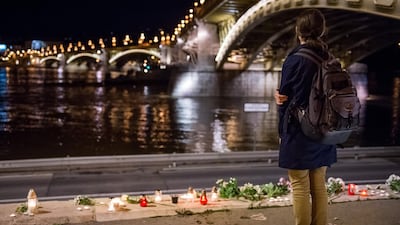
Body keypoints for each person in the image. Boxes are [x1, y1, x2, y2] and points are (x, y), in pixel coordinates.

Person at [274, 9, 337, 225]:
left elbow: (284, 98)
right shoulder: (330, 58)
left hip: (299, 131)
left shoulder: (294, 60)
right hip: (325, 130)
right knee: (319, 184)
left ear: (298, 31)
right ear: (322, 31)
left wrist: (282, 131)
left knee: (300, 185)